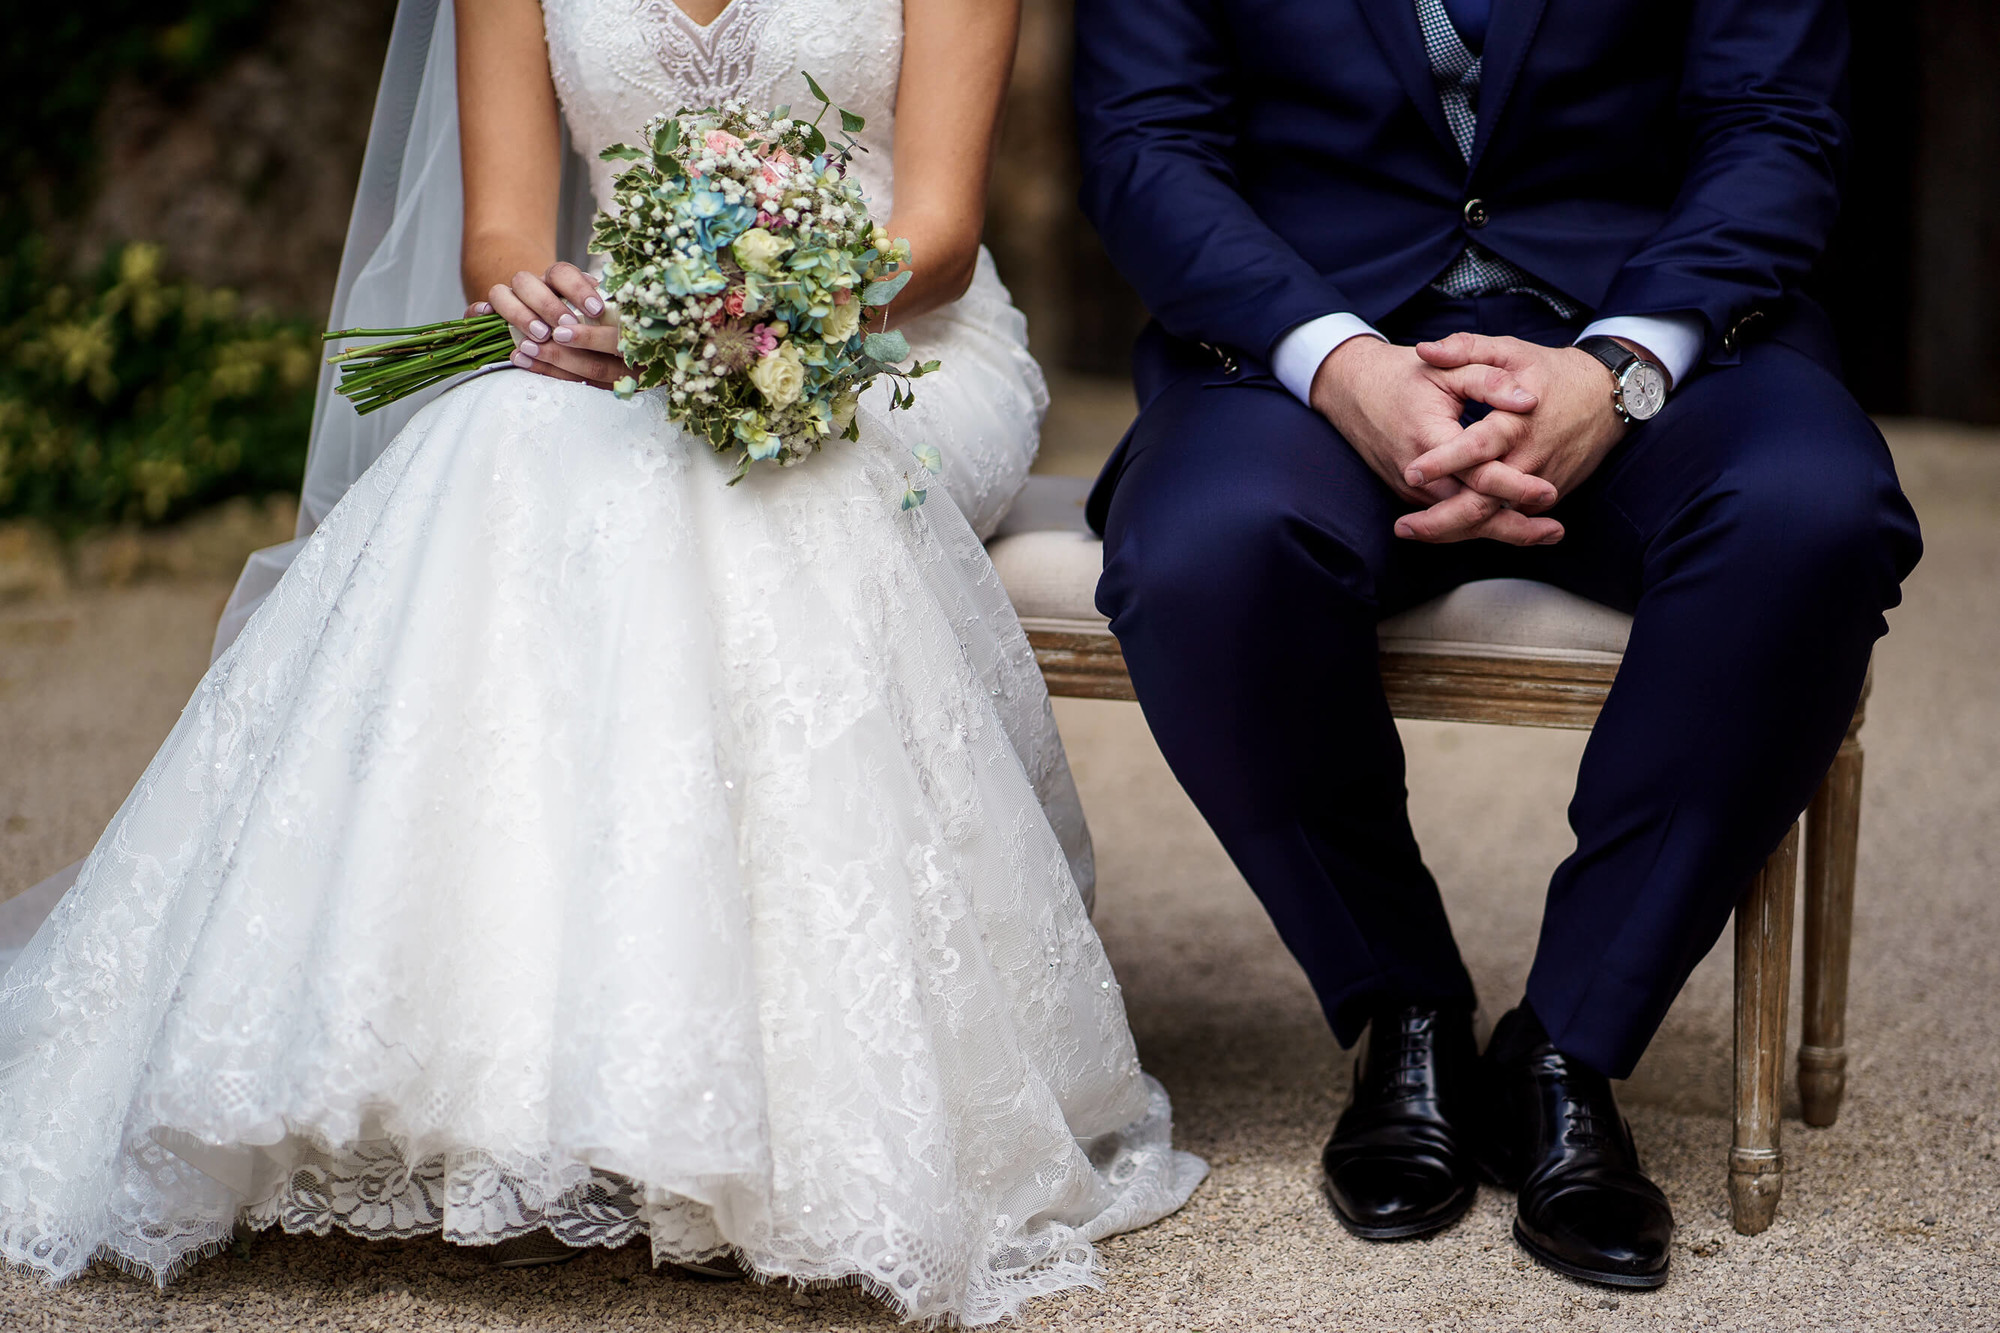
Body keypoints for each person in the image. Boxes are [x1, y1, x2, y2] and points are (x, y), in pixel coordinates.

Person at [0, 0, 1203, 1321]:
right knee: (489, 447)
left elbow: (940, 242)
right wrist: (546, 300)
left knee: (738, 488)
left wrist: (724, 322)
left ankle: (778, 1103)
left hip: (893, 352)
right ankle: (487, 1076)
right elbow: (504, 237)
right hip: (610, 353)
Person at [1074, 0, 1921, 1290]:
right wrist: (1341, 363)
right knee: (1206, 554)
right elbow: (1148, 148)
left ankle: (1570, 1044)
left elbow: (1774, 126)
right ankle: (1401, 1009)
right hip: (1298, 358)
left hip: (1666, 347)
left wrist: (1621, 367)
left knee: (1810, 518)